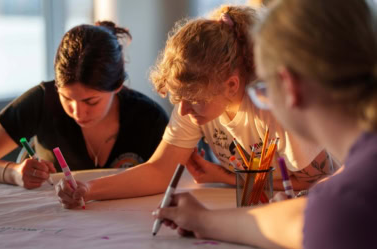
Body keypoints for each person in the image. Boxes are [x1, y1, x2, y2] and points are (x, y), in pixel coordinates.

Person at [55, 5, 335, 209]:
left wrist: (224, 177)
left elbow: (317, 180)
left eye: (193, 101)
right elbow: (159, 170)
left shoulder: (273, 105)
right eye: (178, 100)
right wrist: (89, 189)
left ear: (231, 85)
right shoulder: (196, 96)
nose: (184, 112)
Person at [153, 0, 377, 248]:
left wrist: (204, 218)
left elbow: (314, 219)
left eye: (262, 89)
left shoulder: (344, 207)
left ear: (288, 86)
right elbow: (298, 219)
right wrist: (202, 219)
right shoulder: (351, 181)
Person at [0, 21, 169, 189]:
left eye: (90, 101)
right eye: (66, 98)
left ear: (117, 86)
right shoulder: (43, 100)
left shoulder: (148, 118)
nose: (77, 112)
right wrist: (13, 172)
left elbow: (172, 177)